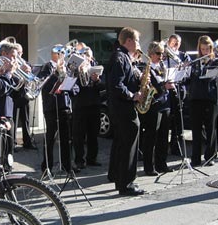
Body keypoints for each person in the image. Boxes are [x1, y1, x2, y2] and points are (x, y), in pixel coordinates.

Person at [107, 27, 145, 196]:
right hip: (123, 108)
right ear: (128, 41)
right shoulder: (119, 57)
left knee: (123, 144)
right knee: (128, 145)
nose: (138, 44)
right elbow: (117, 85)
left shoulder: (124, 57)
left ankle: (120, 180)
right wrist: (133, 96)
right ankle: (126, 184)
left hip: (123, 107)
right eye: (136, 40)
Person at [38, 44, 77, 174]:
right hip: (51, 107)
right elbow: (44, 84)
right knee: (51, 138)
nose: (61, 55)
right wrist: (56, 74)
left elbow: (76, 88)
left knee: (67, 138)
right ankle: (47, 167)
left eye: (63, 53)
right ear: (52, 54)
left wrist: (69, 86)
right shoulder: (47, 67)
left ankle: (67, 165)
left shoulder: (68, 68)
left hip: (65, 106)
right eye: (58, 52)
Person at [139, 42, 174, 175]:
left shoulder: (162, 66)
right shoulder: (147, 68)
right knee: (151, 138)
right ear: (151, 54)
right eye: (158, 53)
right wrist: (164, 86)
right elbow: (153, 86)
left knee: (164, 137)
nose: (161, 56)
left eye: (162, 53)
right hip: (153, 106)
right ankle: (149, 167)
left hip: (165, 105)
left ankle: (162, 164)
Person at [188, 35, 218, 167]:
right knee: (196, 130)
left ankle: (210, 156)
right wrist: (185, 68)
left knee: (210, 128)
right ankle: (195, 158)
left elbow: (208, 78)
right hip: (195, 98)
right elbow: (189, 79)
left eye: (207, 49)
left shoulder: (216, 62)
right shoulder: (195, 62)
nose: (205, 52)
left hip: (209, 99)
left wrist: (206, 63)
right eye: (202, 49)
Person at [72, 44, 102, 169]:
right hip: (80, 105)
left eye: (88, 56)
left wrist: (97, 80)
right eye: (84, 55)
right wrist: (78, 72)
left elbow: (103, 87)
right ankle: (79, 160)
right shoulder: (76, 68)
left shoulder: (95, 67)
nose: (87, 58)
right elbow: (73, 86)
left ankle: (92, 158)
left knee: (93, 134)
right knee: (79, 135)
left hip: (94, 104)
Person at [163, 34, 190, 156]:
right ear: (168, 42)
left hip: (179, 89)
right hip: (166, 89)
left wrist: (184, 68)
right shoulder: (164, 54)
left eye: (178, 42)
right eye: (173, 42)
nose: (175, 44)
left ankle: (176, 146)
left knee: (178, 119)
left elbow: (189, 72)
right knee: (166, 119)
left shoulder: (183, 55)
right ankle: (163, 147)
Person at [12, 42, 36, 150]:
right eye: (17, 53)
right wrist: (19, 69)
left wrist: (29, 71)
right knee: (14, 119)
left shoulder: (26, 63)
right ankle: (12, 142)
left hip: (24, 94)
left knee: (25, 119)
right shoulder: (11, 63)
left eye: (21, 53)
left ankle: (27, 142)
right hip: (14, 94)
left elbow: (31, 77)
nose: (19, 55)